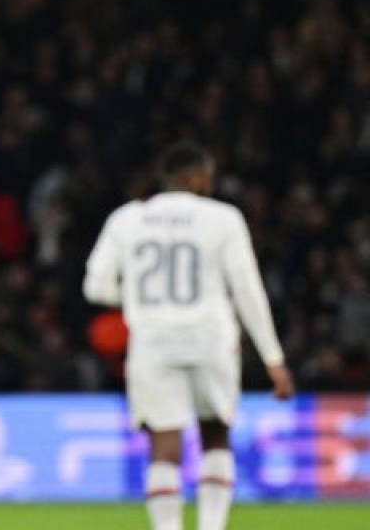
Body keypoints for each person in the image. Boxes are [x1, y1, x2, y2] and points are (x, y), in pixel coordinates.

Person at [83, 142, 295, 530]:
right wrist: (273, 359)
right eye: (208, 176)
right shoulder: (223, 218)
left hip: (152, 341)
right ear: (194, 177)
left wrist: (137, 301)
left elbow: (96, 287)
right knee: (215, 434)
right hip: (210, 338)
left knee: (164, 444)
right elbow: (247, 291)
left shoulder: (128, 219)